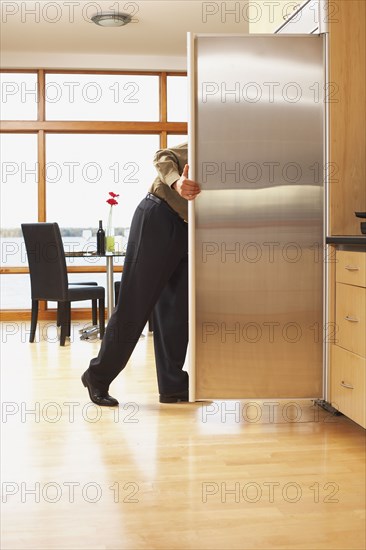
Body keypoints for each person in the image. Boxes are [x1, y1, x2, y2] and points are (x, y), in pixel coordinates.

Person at [81, 143, 201, 406]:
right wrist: (177, 182)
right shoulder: (206, 140)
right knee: (135, 305)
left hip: (188, 230)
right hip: (158, 217)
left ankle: (173, 386)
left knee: (177, 310)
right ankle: (97, 377)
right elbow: (162, 156)